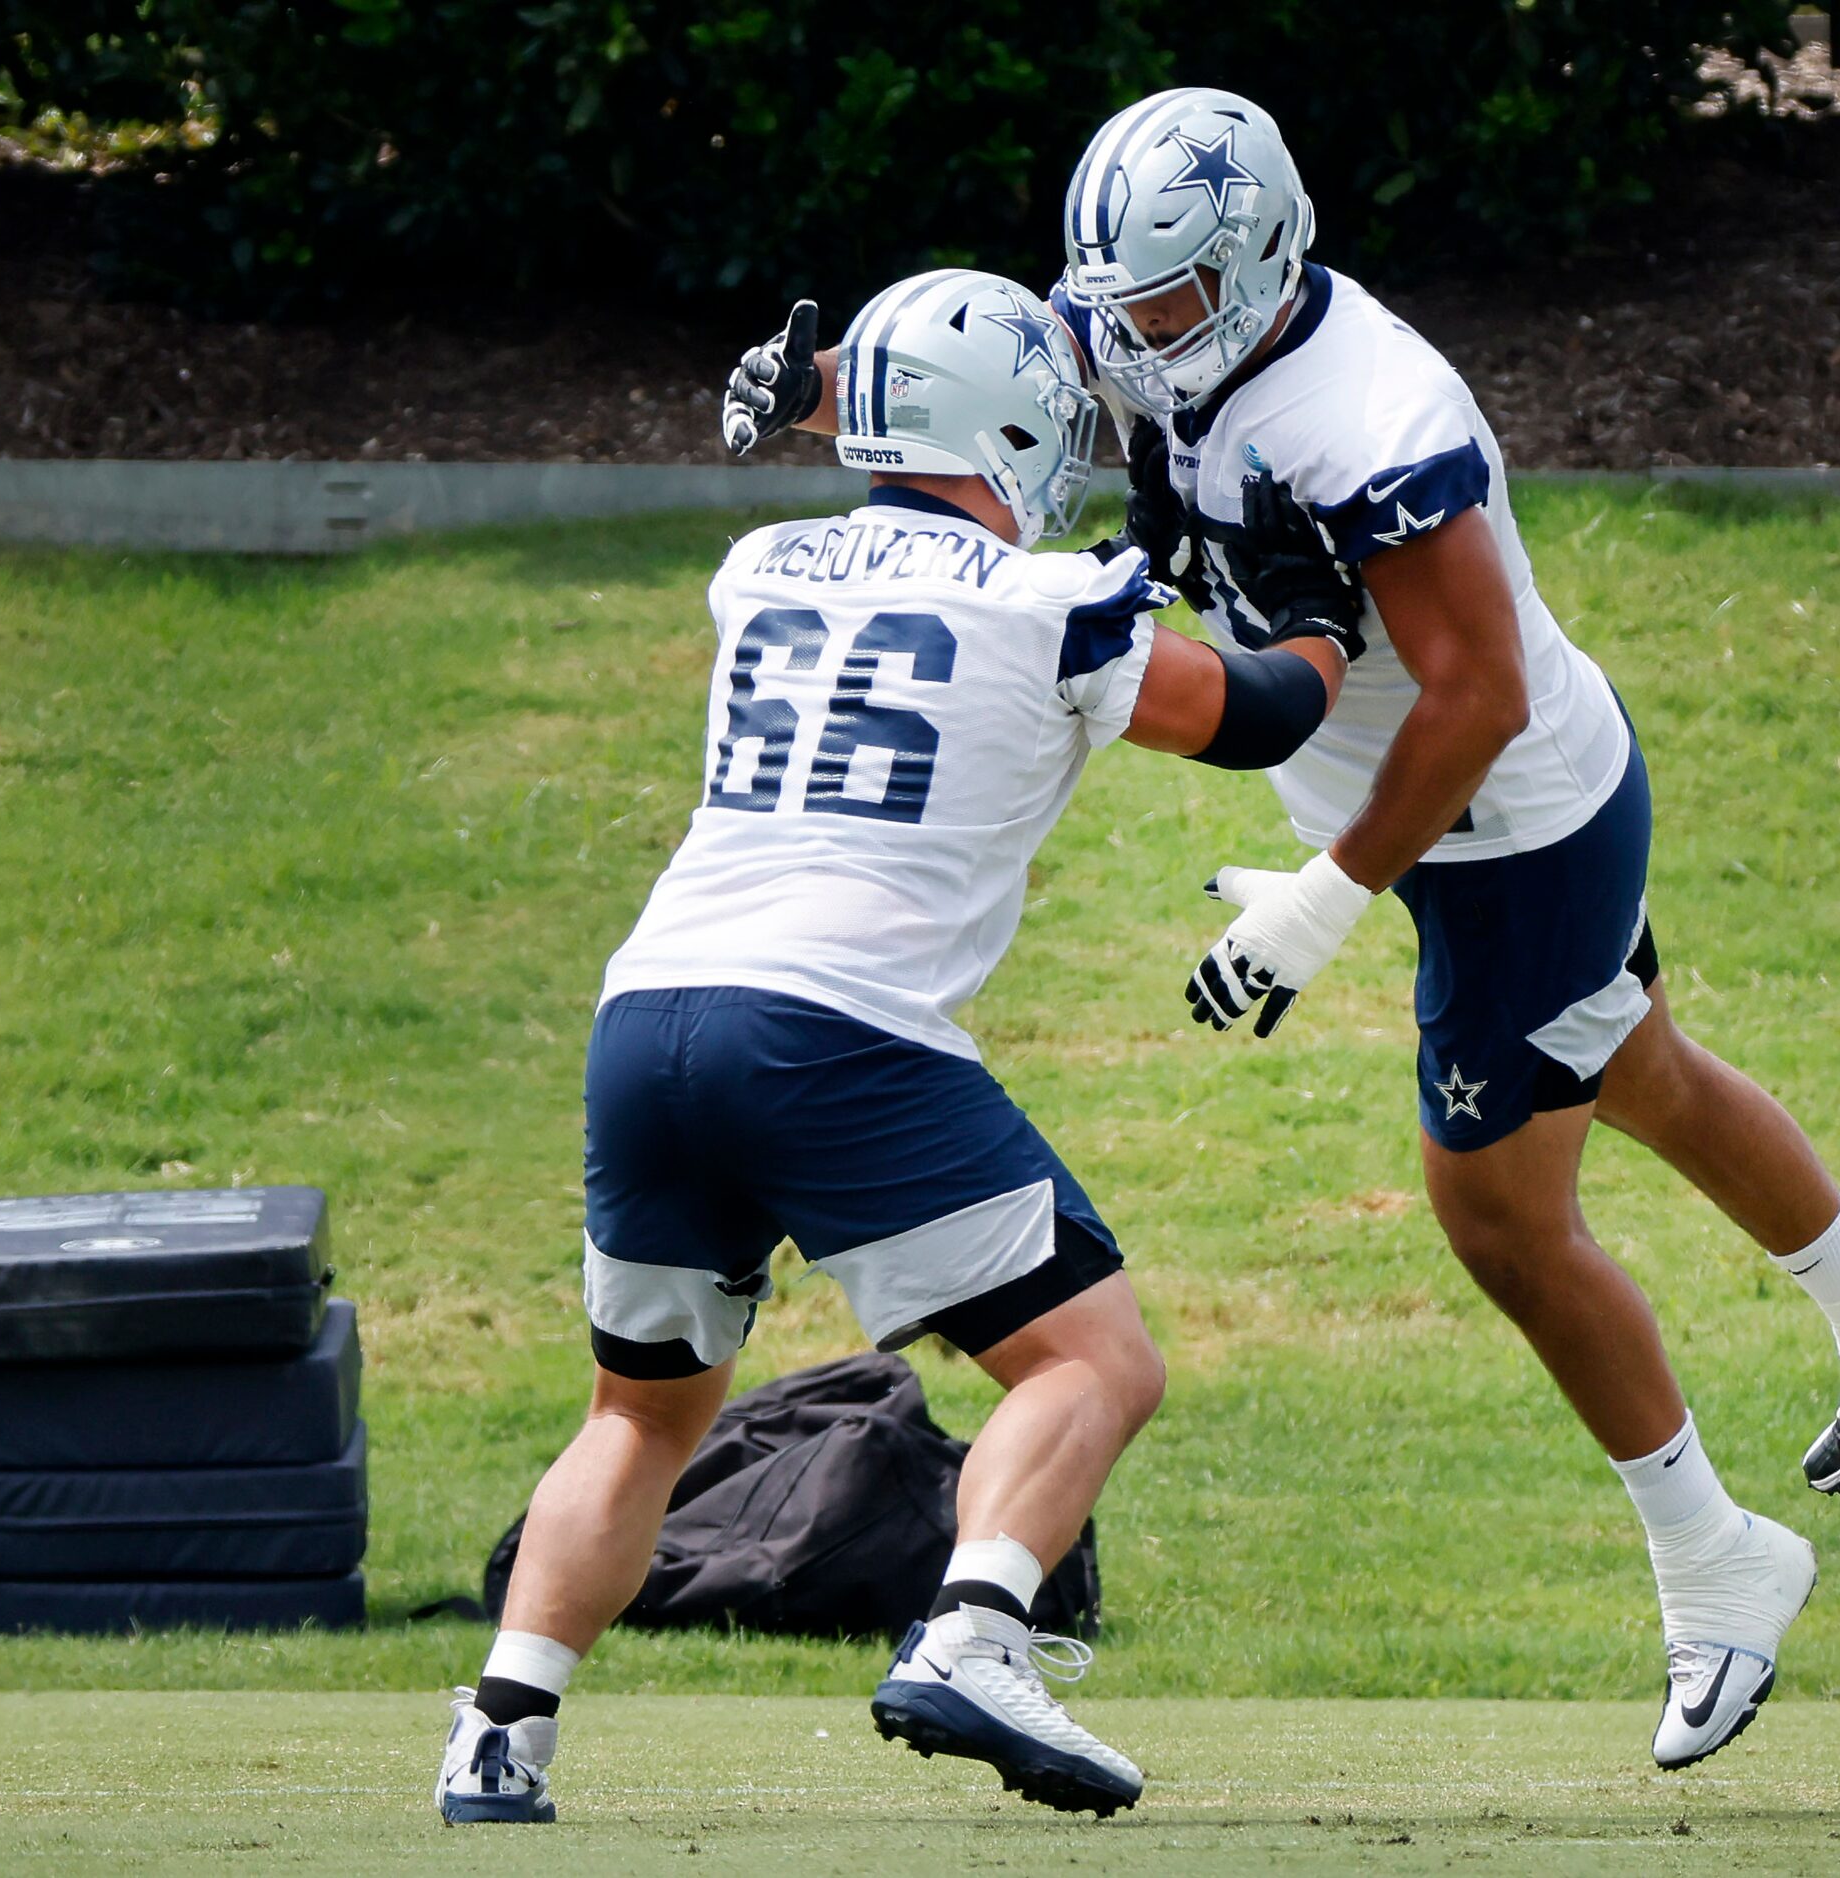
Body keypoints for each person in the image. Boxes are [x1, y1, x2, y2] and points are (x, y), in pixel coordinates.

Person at [719, 88, 1840, 1772]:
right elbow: (1026, 367)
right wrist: (835, 392)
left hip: (1504, 830)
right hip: (1464, 822)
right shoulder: (1159, 310)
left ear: (1257, 265)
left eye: (1162, 309)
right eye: (1108, 303)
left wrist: (1329, 901)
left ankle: (1720, 1562)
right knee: (1637, 1067)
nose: (1123, 343)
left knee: (1496, 1221)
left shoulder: (1368, 411)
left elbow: (1467, 690)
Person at [436, 266, 1368, 1825]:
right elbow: (1258, 713)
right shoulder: (1053, 603)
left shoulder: (758, 562)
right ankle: (973, 1633)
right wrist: (1325, 618)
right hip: (831, 1029)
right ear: (1004, 421)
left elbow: (908, 507)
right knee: (1090, 1358)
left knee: (639, 1416)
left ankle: (500, 1731)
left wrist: (823, 393)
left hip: (649, 1014)